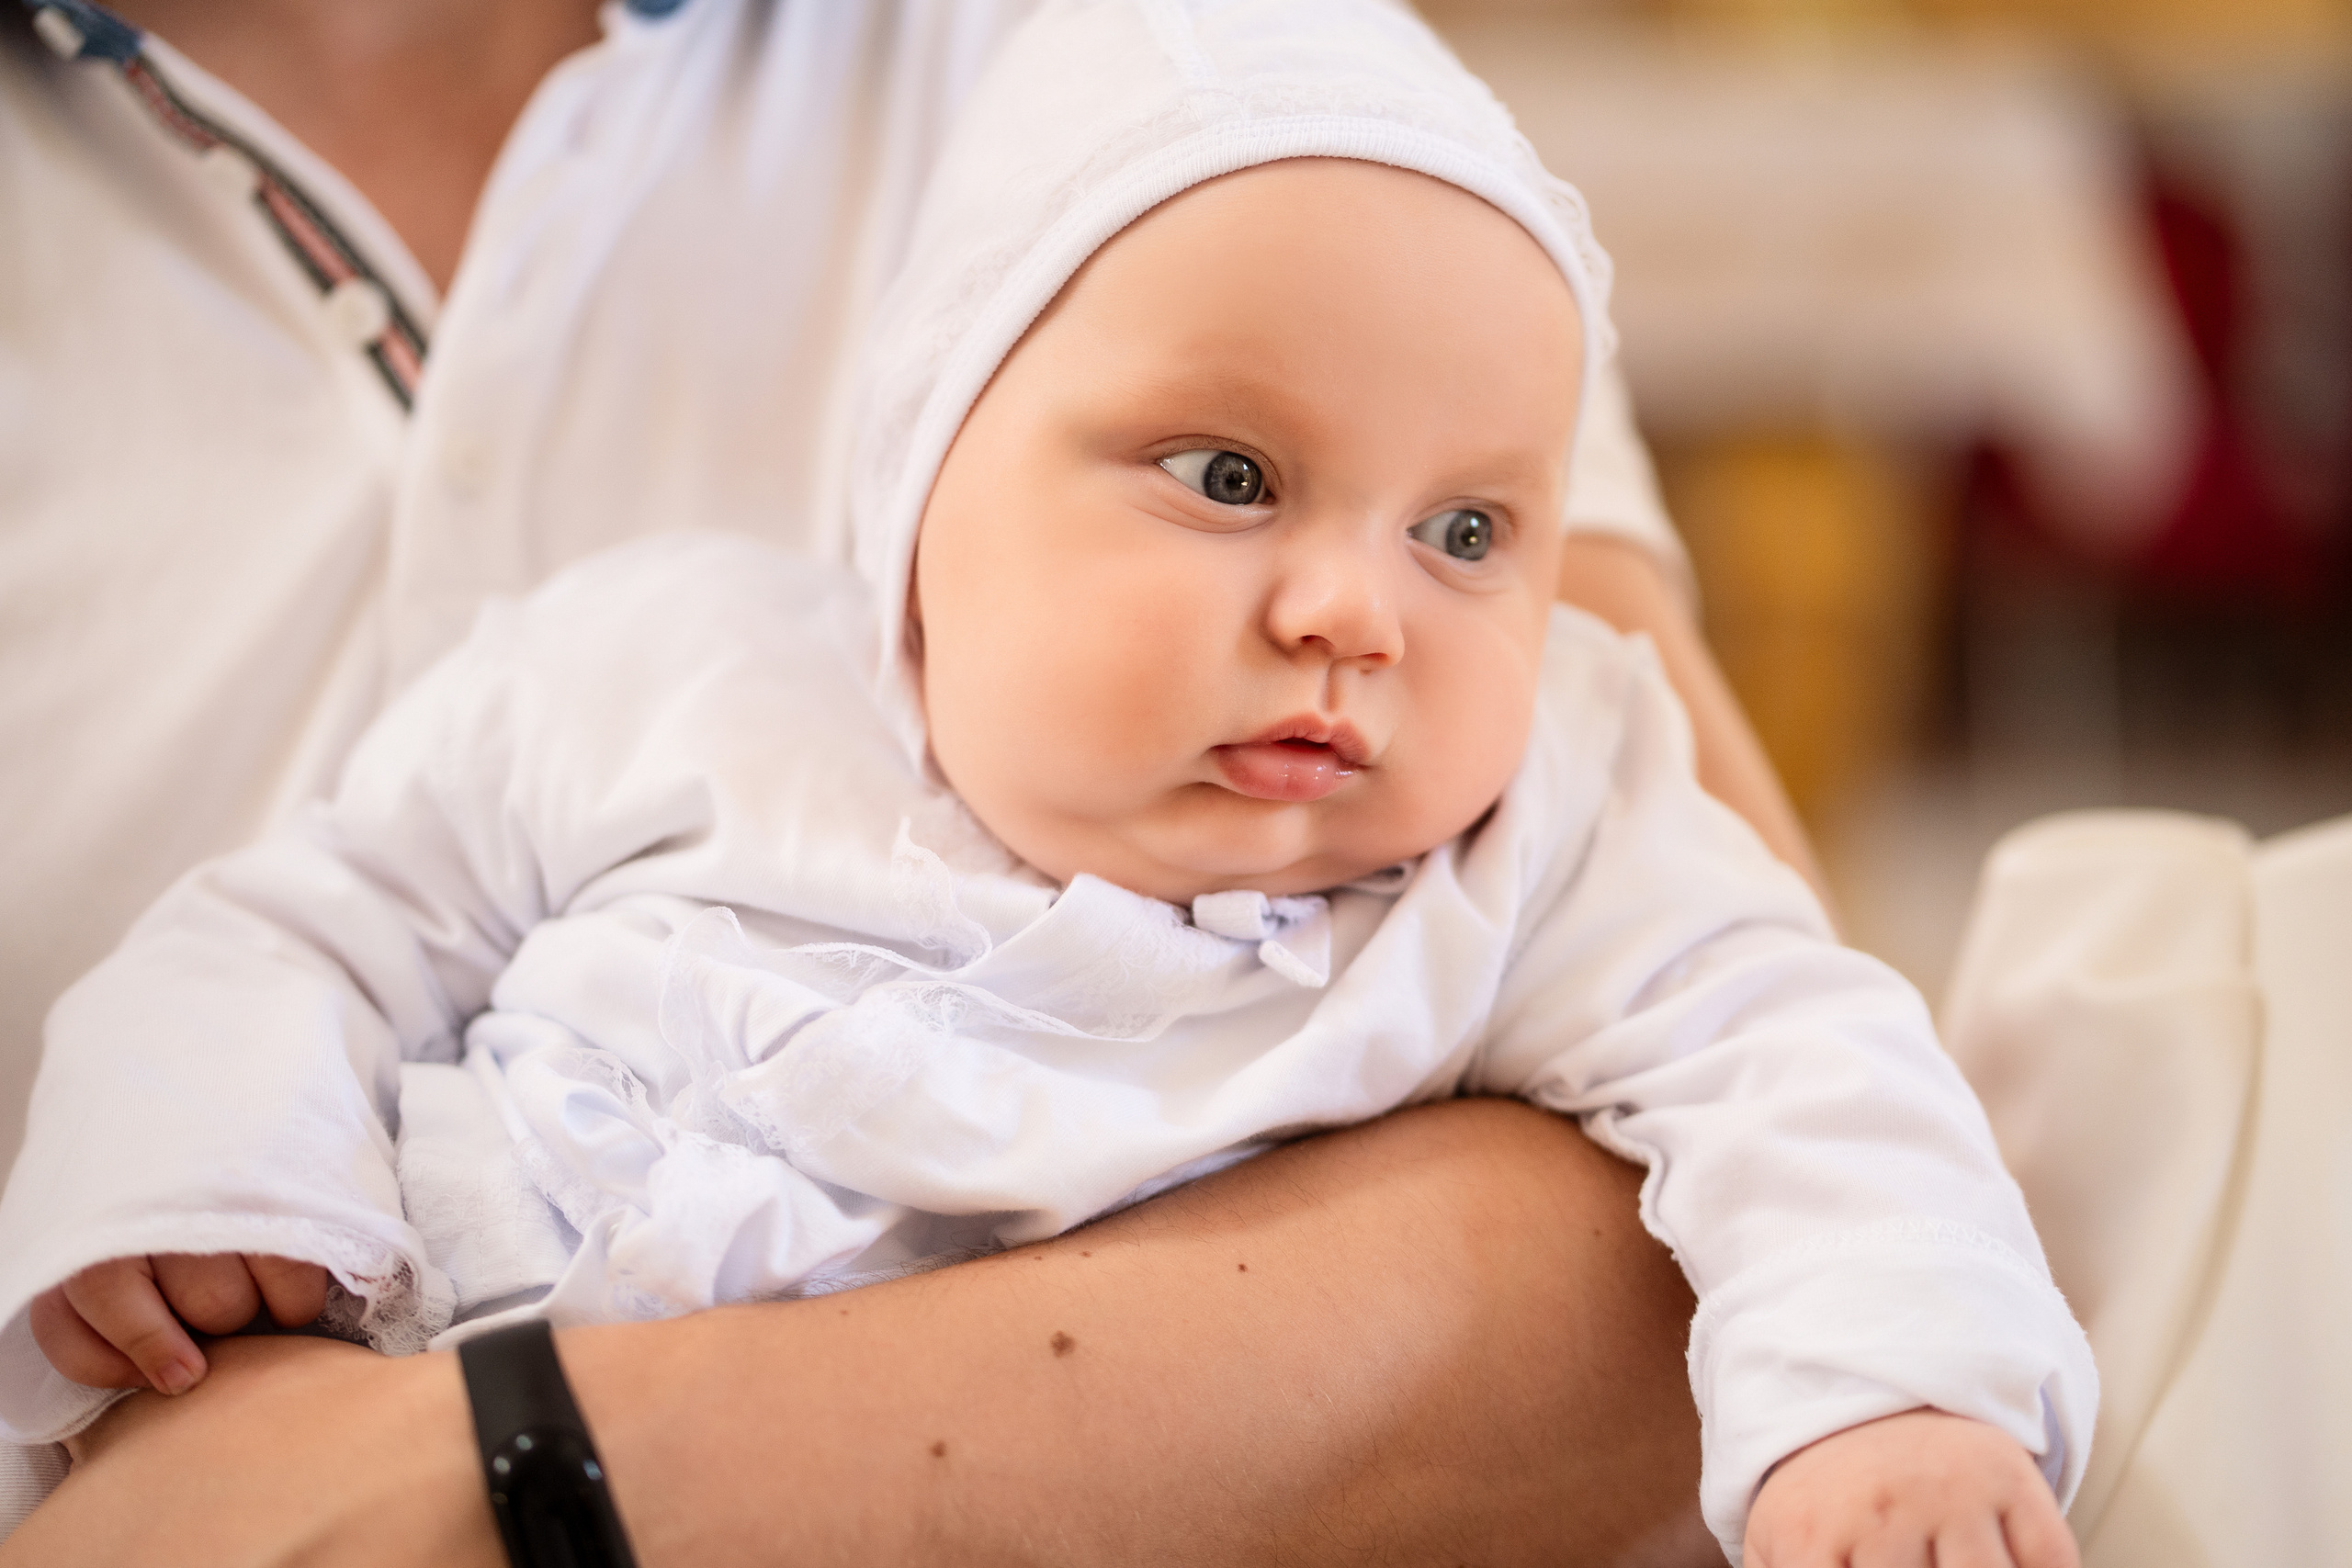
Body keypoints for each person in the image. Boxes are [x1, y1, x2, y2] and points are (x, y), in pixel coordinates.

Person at [2, 10, 2097, 1565]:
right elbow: (302, 926)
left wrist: (1889, 1397)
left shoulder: (1536, 812)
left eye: (1468, 532)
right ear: (920, 490)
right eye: (1229, 479)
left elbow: (1795, 1051)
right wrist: (201, 1197)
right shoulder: (675, 669)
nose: (1356, 613)